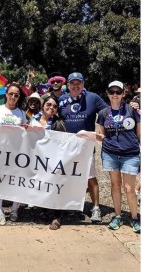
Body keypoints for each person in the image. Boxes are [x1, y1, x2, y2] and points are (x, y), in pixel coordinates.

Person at [59, 72, 107, 223]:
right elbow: (53, 115)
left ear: (83, 84)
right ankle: (71, 207)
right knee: (68, 176)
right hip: (66, 145)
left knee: (90, 177)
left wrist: (102, 131)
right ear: (68, 85)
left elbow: (107, 112)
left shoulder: (93, 98)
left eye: (78, 82)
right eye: (72, 83)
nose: (75, 85)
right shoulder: (62, 99)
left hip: (86, 146)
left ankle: (96, 208)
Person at [97, 81, 140, 233]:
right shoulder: (103, 113)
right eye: (111, 91)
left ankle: (135, 218)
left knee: (129, 189)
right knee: (115, 185)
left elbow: (139, 133)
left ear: (123, 94)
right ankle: (118, 216)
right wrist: (93, 136)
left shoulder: (131, 110)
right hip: (110, 154)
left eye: (118, 92)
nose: (114, 95)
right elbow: (102, 135)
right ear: (108, 93)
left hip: (130, 154)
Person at [0, 82, 27, 225]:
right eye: (11, 94)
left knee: (17, 181)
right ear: (6, 94)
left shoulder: (22, 113)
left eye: (16, 95)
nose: (13, 97)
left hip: (16, 153)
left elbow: (27, 131)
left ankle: (15, 208)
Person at [34, 94, 66, 230]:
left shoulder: (58, 123)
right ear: (42, 106)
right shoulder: (33, 120)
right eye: (48, 105)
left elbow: (64, 142)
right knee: (41, 185)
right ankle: (44, 211)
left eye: (54, 106)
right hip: (36, 158)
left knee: (54, 186)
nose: (51, 108)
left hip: (52, 159)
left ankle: (57, 216)